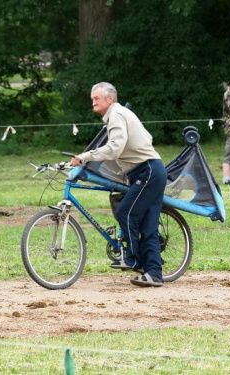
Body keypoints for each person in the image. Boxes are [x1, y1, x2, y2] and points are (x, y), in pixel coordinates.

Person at [70, 82, 167, 287]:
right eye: (92, 99)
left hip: (147, 171)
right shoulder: (119, 114)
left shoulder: (116, 115)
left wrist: (85, 157)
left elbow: (114, 149)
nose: (93, 102)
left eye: (97, 98)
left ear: (110, 99)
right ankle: (154, 274)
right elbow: (145, 138)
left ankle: (132, 258)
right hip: (152, 170)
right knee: (148, 225)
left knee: (126, 212)